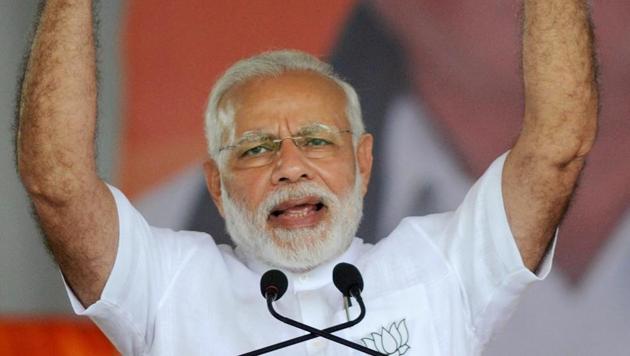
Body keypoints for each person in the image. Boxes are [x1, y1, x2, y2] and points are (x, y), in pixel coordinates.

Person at [16, 0, 597, 355]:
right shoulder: (169, 285)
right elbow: (58, 184)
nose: (290, 167)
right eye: (256, 149)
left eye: (316, 140)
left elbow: (558, 148)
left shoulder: (442, 267)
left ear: (363, 161)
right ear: (216, 186)